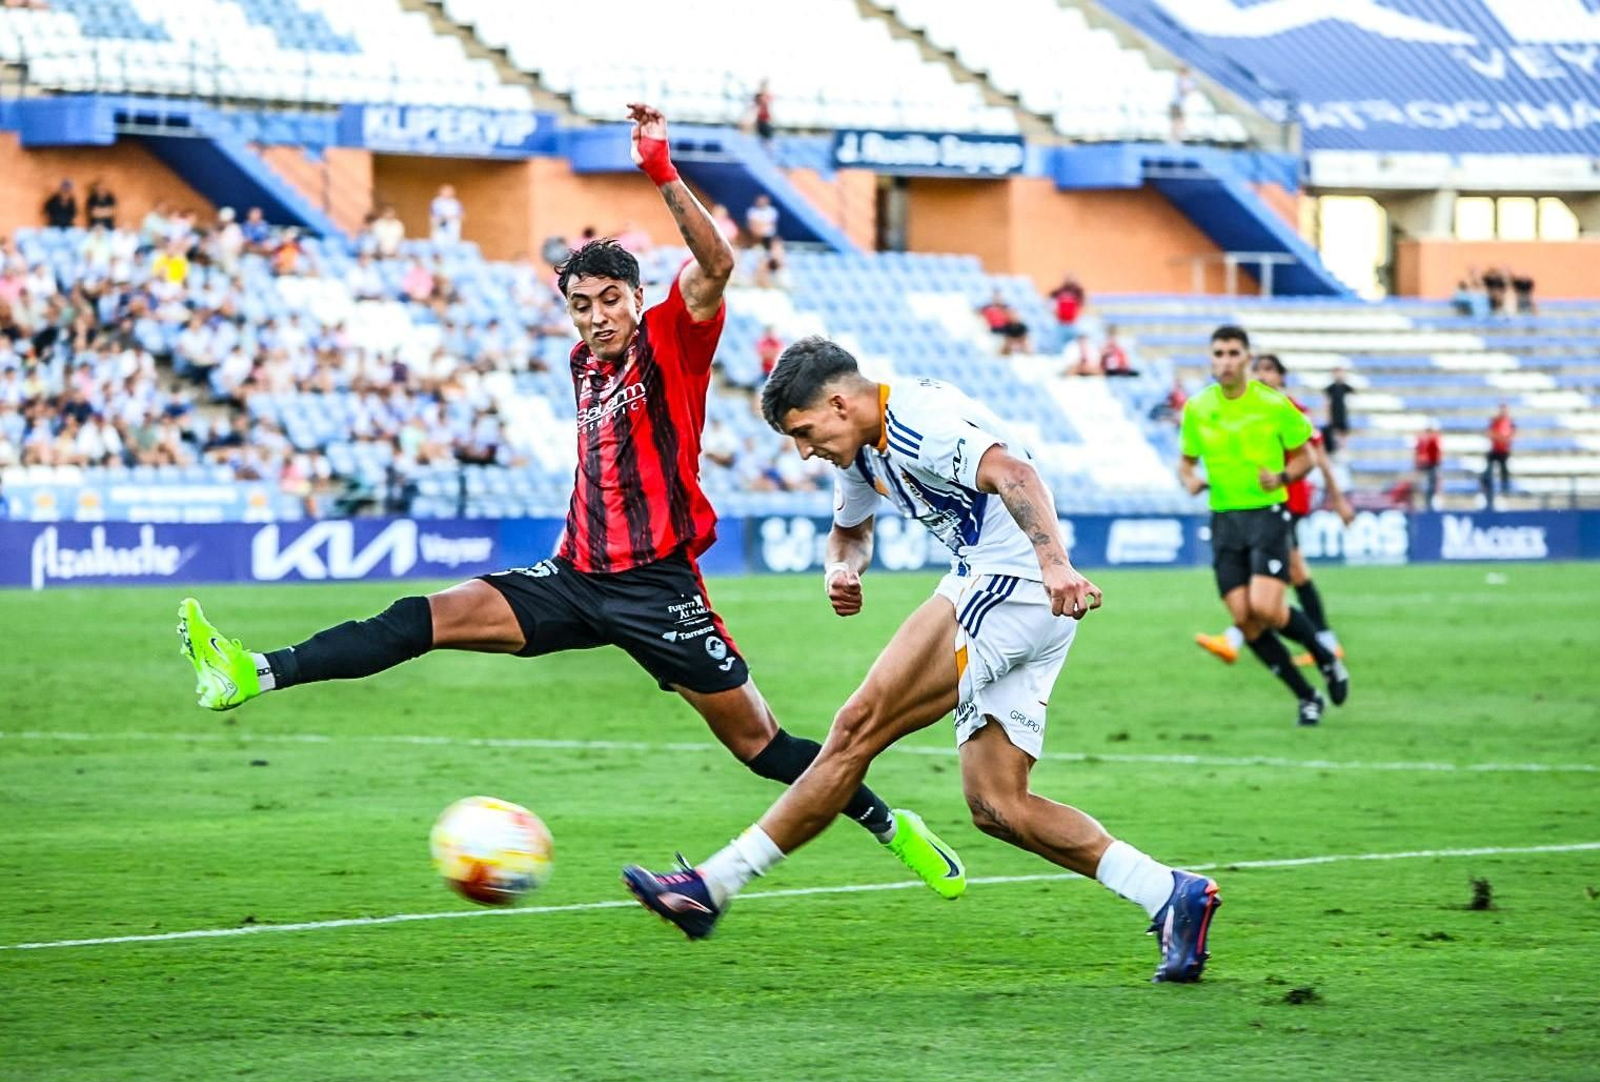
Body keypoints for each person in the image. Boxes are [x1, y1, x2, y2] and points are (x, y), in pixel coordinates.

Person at [175, 103, 962, 896]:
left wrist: (660, 169)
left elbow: (716, 267)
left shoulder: (670, 339)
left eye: (608, 302)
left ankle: (897, 829)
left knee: (761, 746)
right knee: (424, 618)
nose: (596, 319)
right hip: (576, 578)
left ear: (634, 297)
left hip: (659, 589)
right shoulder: (581, 367)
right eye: (581, 306)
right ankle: (251, 671)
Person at [622, 338, 1221, 983]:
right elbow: (851, 530)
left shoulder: (918, 421)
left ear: (839, 403)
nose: (803, 450)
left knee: (855, 728)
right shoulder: (859, 446)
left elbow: (1016, 474)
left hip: (1010, 586)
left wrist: (1054, 565)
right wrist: (840, 569)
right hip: (1009, 592)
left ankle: (712, 886)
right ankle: (1168, 893)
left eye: (803, 432)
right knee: (996, 805)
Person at [1177, 326, 1350, 727]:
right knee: (1244, 618)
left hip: (1267, 516)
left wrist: (1283, 477)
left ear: (1247, 358)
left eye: (1233, 353)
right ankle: (1307, 696)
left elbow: (1308, 457)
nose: (1225, 360)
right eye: (1218, 353)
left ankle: (1325, 656)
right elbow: (1185, 462)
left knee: (1266, 608)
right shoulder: (1198, 408)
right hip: (1224, 520)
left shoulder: (1273, 404)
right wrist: (1190, 481)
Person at [1484, 403, 1513, 505]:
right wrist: (1499, 438)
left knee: (1504, 472)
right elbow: (1489, 433)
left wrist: (1503, 439)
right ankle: (1487, 492)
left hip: (1504, 451)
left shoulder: (1509, 422)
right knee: (1487, 473)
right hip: (1495, 450)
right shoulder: (1495, 421)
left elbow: (1512, 435)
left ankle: (1504, 492)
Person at [1322, 366, 1353, 456]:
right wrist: (1327, 416)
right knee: (1333, 432)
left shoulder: (1345, 387)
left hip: (1342, 414)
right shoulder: (1330, 388)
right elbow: (1327, 403)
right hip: (1334, 414)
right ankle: (1334, 449)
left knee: (1343, 433)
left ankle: (1343, 451)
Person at [1414, 422, 1442, 511]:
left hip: (1431, 466)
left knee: (1431, 487)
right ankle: (1424, 505)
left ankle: (1430, 504)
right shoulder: (1422, 441)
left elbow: (1437, 456)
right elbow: (1419, 454)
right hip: (1424, 467)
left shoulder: (1434, 440)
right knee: (1423, 487)